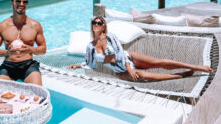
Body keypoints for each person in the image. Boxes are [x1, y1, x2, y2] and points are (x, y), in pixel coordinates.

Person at [68, 16, 212, 81]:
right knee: (142, 76)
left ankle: (197, 67)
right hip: (121, 71)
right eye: (94, 23)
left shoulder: (110, 37)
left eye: (99, 23)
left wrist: (130, 68)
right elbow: (91, 63)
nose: (96, 25)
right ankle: (180, 76)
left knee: (158, 63)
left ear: (104, 25)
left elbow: (119, 54)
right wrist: (78, 65)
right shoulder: (90, 47)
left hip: (129, 58)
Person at [0, 0, 46, 85]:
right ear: (12, 3)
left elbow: (43, 49)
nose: (21, 4)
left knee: (38, 93)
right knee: (0, 92)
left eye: (24, 2)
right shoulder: (2, 26)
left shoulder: (35, 25)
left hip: (28, 65)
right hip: (8, 66)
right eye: (18, 1)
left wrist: (30, 49)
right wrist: (7, 52)